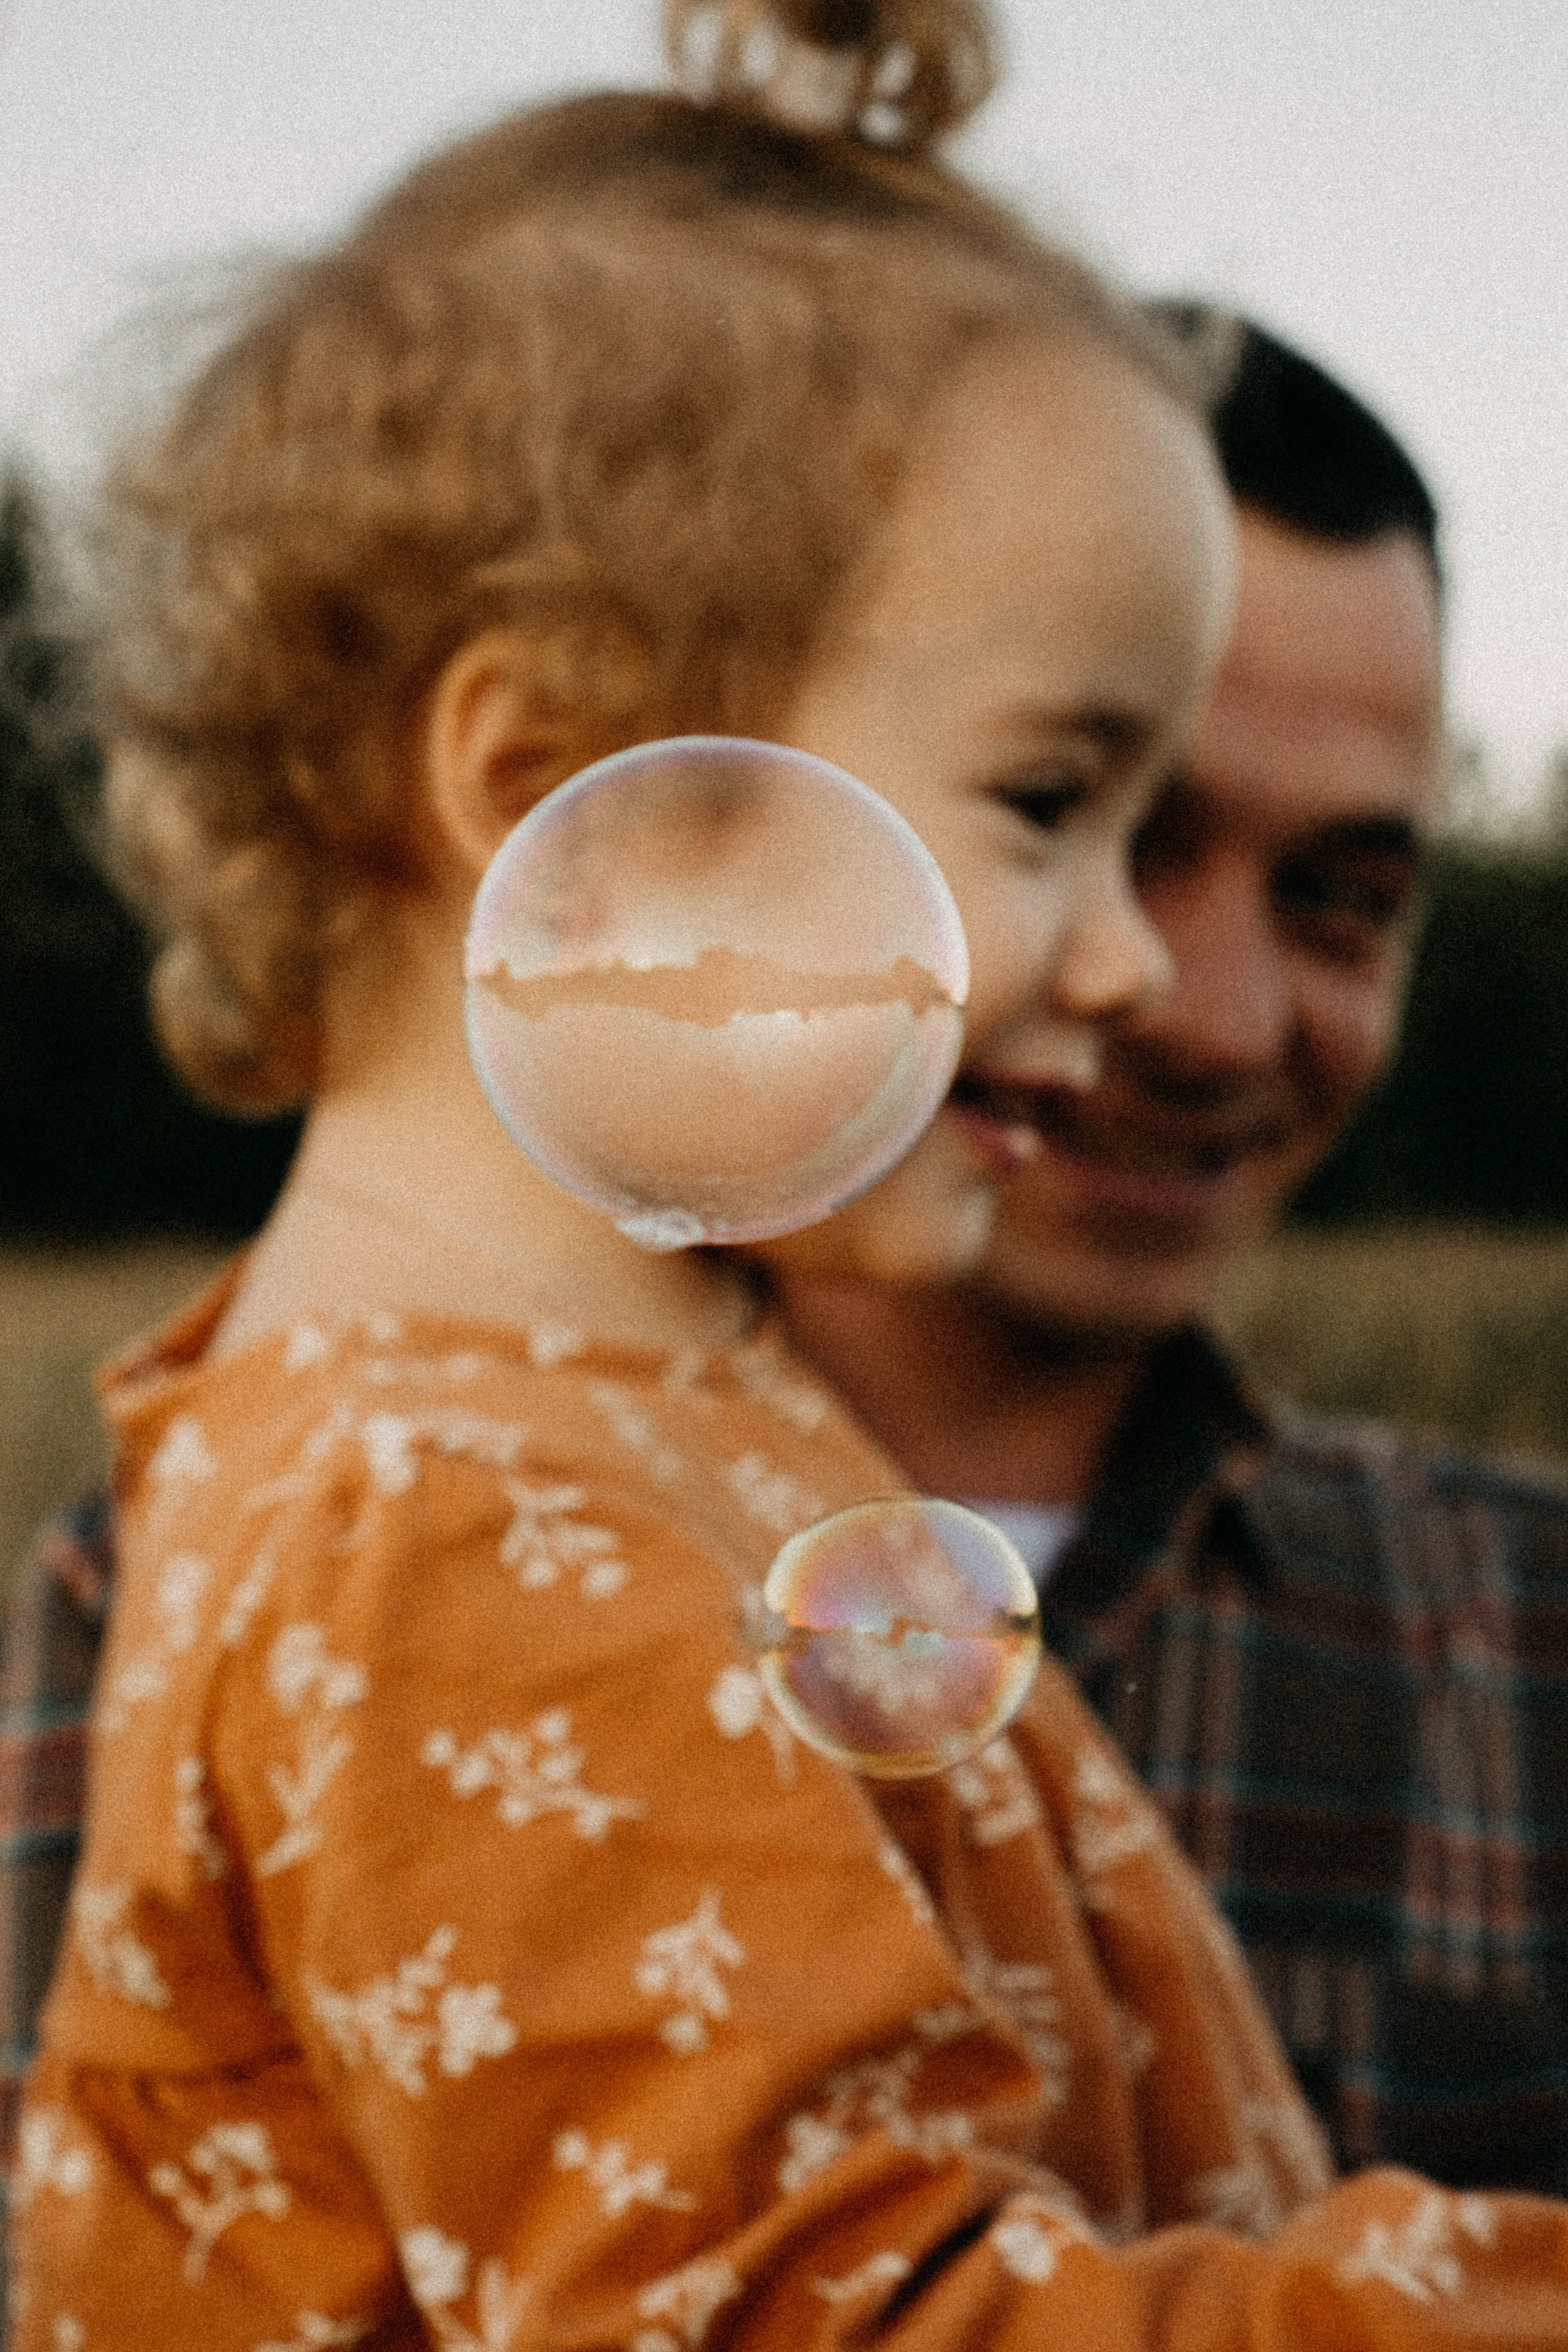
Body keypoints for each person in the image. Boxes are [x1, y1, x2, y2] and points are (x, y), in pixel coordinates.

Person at [12, 6, 1568, 2345]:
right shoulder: (440, 1524)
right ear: (569, 790)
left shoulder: (630, 1432)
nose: (1142, 965)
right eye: (1053, 805)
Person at [772, 314, 1568, 2196]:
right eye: (1092, 826)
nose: (1211, 1015)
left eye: (1344, 901)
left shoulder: (1533, 1640)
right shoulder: (294, 1575)